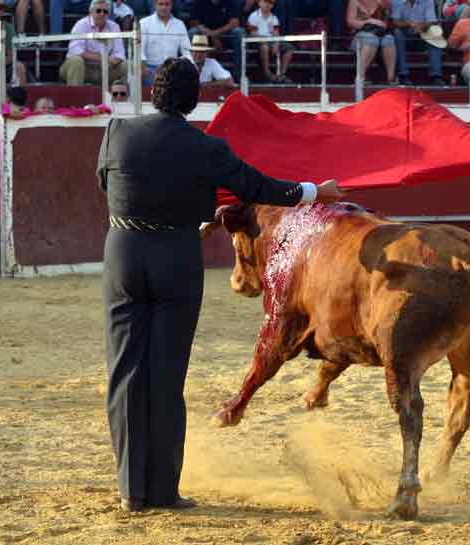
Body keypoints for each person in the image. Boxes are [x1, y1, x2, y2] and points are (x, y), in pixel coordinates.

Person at [97, 57, 346, 513]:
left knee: (125, 370)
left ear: (154, 92)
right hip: (175, 255)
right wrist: (315, 192)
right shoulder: (205, 148)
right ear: (192, 100)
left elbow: (104, 185)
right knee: (166, 374)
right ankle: (163, 491)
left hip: (124, 253)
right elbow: (259, 186)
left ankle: (132, 490)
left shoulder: (117, 132)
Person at [59, 0, 127, 85]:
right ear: (91, 12)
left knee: (125, 65)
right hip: (84, 67)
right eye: (98, 11)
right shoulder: (81, 24)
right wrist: (101, 58)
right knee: (76, 61)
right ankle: (75, 97)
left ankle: (122, 96)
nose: (102, 14)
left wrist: (113, 61)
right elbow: (75, 50)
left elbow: (120, 53)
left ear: (108, 14)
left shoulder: (114, 26)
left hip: (105, 69)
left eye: (105, 11)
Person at [390, 0, 445, 86]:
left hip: (423, 34)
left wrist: (421, 26)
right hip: (405, 34)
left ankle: (435, 76)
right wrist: (409, 23)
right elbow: (395, 22)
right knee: (397, 33)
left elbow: (431, 21)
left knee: (435, 34)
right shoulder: (397, 1)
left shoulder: (428, 1)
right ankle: (403, 74)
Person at [139, 0, 192, 85]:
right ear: (155, 5)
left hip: (173, 69)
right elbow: (140, 50)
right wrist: (143, 66)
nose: (164, 7)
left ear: (172, 6)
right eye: (161, 4)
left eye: (167, 4)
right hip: (151, 68)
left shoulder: (179, 24)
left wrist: (190, 68)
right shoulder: (144, 23)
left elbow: (187, 52)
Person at [188, 0, 243, 79]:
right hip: (204, 36)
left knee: (239, 32)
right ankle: (191, 73)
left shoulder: (230, 2)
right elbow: (194, 22)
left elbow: (235, 22)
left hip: (225, 36)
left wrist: (216, 33)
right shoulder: (199, 2)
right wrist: (210, 34)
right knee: (193, 32)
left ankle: (239, 74)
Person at [347, 0, 396, 84]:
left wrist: (383, 5)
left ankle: (390, 77)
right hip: (361, 34)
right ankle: (360, 77)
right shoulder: (355, 1)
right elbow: (350, 22)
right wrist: (368, 22)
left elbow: (387, 22)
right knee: (371, 38)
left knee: (389, 39)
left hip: (380, 33)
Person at [246, 0, 293, 83]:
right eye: (265, 1)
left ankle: (281, 74)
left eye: (270, 3)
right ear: (259, 3)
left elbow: (276, 33)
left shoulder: (274, 18)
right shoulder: (253, 16)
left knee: (289, 48)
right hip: (256, 41)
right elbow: (253, 34)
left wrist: (276, 43)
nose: (268, 4)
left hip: (270, 40)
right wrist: (266, 40)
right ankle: (267, 73)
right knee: (265, 46)